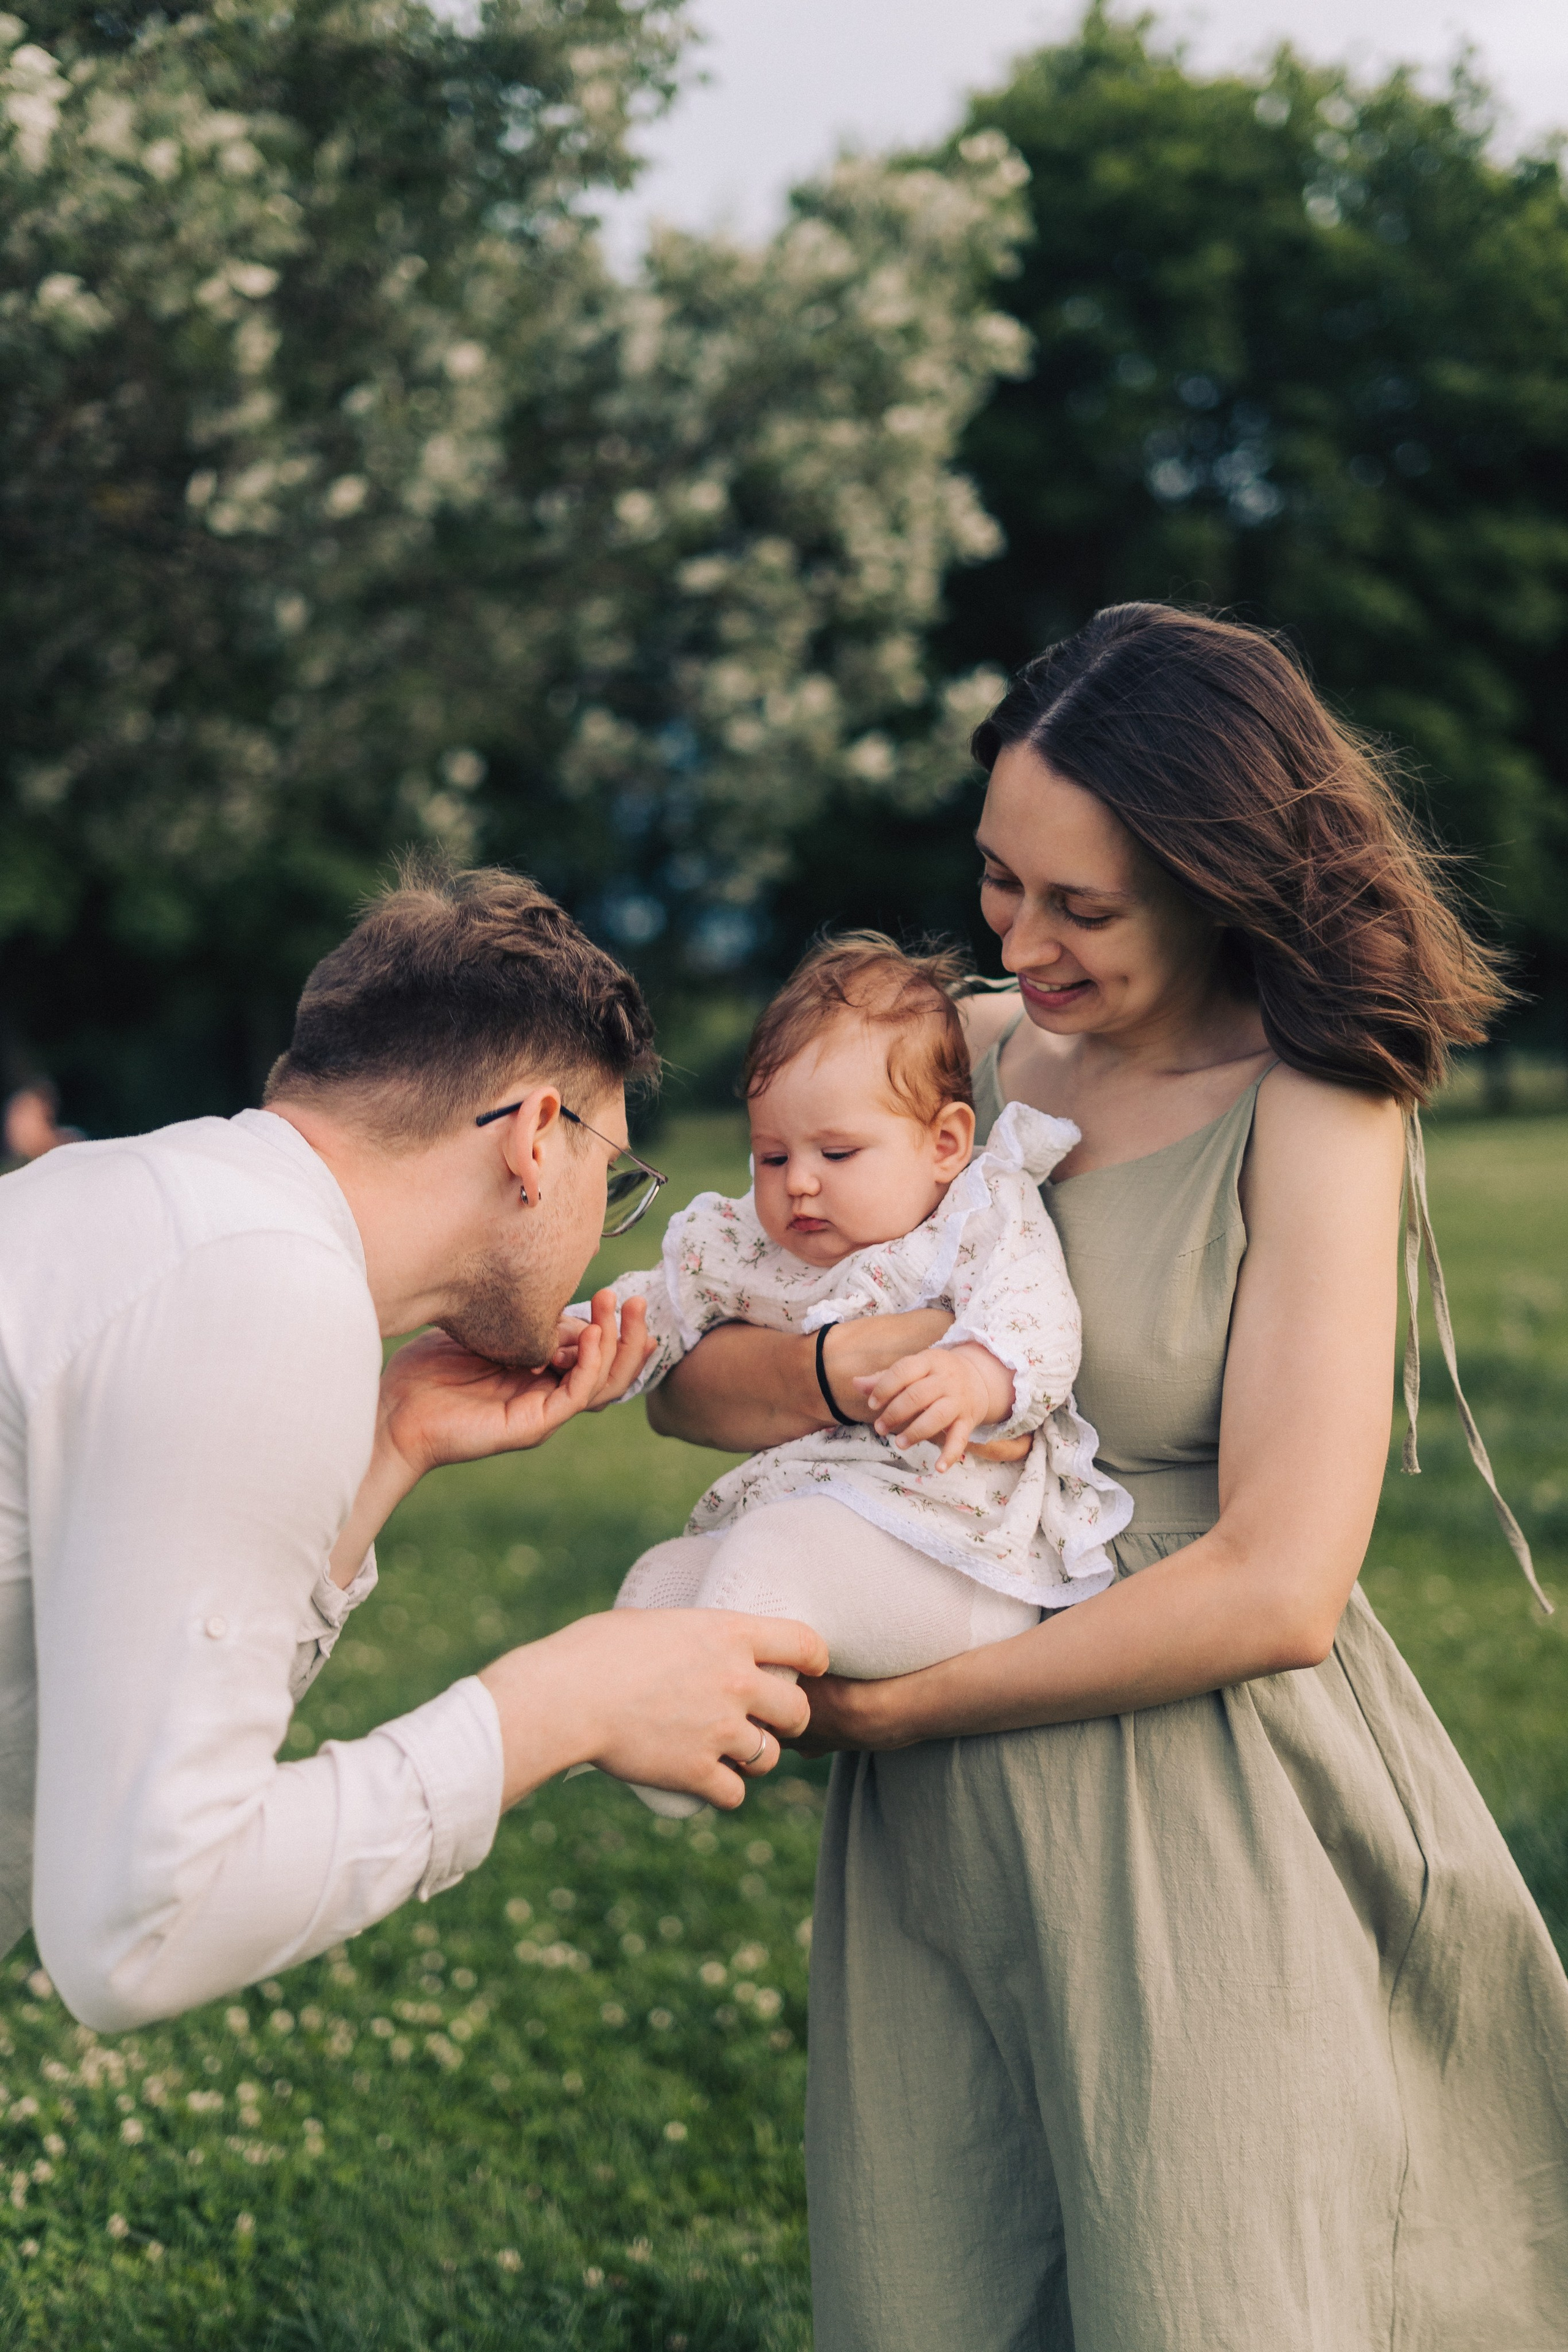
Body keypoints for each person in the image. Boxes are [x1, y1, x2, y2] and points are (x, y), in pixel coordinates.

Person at [648, 606, 1568, 2350]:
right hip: (944, 1836)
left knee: (1199, 2285)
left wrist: (908, 1714)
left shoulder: (1312, 1101)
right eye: (1002, 884)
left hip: (1183, 1783)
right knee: (946, 2280)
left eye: (1084, 907)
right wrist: (848, 1370)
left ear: (1223, 875)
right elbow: (702, 1390)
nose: (1023, 942)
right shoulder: (967, 1069)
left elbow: (1284, 1586)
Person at [0, 865, 823, 2034]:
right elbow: (140, 1929)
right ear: (539, 1137)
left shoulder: (143, 1201)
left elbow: (149, 1740)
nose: (604, 1228)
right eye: (618, 1179)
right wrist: (556, 1705)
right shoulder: (263, 1292)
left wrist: (390, 1443)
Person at [587, 933, 1130, 1815]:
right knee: (663, 1577)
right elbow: (661, 1304)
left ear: (946, 1141)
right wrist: (582, 1342)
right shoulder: (748, 1242)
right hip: (839, 1536)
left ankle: (710, 1729)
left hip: (960, 1563)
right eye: (772, 1156)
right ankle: (658, 1763)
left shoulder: (980, 1215)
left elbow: (1039, 1318)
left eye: (837, 1156)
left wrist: (980, 1379)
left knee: (773, 1553)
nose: (799, 1184)